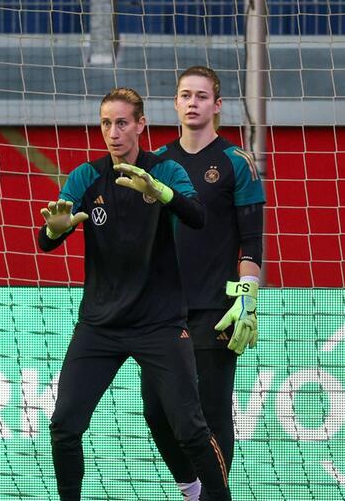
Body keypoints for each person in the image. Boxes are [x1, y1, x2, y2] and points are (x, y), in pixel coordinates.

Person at [38, 87, 232, 501]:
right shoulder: (87, 176)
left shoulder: (166, 170)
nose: (113, 132)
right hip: (100, 325)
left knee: (190, 427)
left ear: (141, 124)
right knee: (65, 425)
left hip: (159, 324)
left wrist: (159, 192)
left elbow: (197, 215)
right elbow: (48, 237)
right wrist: (55, 228)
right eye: (106, 123)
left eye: (122, 122)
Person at [142, 66, 266, 501]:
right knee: (157, 412)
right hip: (161, 314)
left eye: (201, 96)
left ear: (217, 105)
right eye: (184, 95)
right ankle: (193, 490)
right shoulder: (155, 163)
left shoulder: (236, 163)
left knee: (211, 416)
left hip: (217, 308)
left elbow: (252, 245)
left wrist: (247, 298)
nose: (192, 102)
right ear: (175, 103)